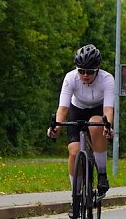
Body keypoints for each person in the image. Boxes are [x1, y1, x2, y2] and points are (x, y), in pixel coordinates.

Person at [47, 44, 115, 203]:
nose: (85, 75)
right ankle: (75, 196)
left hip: (98, 110)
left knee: (95, 123)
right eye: (81, 71)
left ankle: (102, 175)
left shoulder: (107, 79)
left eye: (89, 72)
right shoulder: (70, 78)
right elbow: (63, 108)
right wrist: (56, 125)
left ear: (97, 69)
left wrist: (108, 127)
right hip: (76, 109)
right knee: (74, 151)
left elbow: (108, 110)